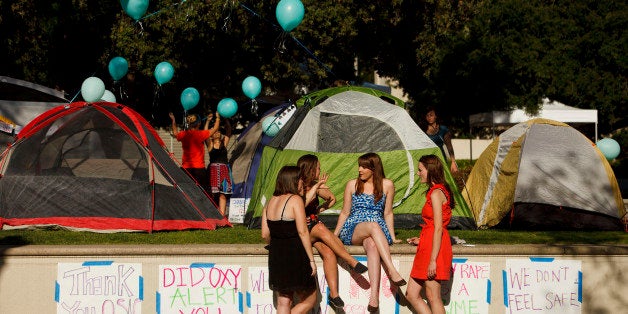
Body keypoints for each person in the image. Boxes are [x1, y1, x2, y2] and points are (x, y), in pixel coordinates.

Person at [333, 152, 405, 313]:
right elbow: (345, 212)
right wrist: (335, 234)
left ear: (374, 168)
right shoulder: (352, 184)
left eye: (364, 166)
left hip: (377, 228)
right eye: (359, 166)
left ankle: (374, 297)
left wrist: (392, 237)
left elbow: (388, 213)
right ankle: (392, 270)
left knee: (372, 244)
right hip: (354, 227)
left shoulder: (387, 184)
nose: (359, 169)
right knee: (372, 226)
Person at [297, 154, 368, 310]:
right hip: (300, 232)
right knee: (321, 227)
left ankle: (334, 295)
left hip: (313, 228)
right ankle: (351, 261)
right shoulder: (298, 184)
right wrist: (316, 187)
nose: (320, 170)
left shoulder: (314, 185)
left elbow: (332, 199)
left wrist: (319, 207)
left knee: (329, 252)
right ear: (309, 169)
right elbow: (301, 205)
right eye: (317, 168)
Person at [261, 166, 318, 314]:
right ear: (294, 180)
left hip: (276, 255)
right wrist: (311, 260)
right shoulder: (295, 200)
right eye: (301, 180)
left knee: (283, 301)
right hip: (296, 254)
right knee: (310, 299)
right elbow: (302, 231)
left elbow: (265, 234)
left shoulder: (270, 202)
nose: (302, 184)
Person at [405, 155, 454, 314]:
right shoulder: (436, 191)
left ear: (430, 170)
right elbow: (434, 227)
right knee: (412, 294)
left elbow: (439, 228)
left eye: (420, 170)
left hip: (435, 251)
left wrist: (433, 260)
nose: (418, 173)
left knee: (433, 296)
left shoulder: (436, 193)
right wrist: (422, 239)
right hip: (428, 243)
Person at [170, 112, 221, 190]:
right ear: (199, 124)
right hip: (199, 169)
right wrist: (217, 118)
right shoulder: (201, 134)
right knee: (203, 191)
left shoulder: (184, 134)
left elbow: (175, 133)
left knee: (186, 190)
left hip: (186, 169)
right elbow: (215, 129)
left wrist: (173, 120)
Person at [420, 106, 458, 173]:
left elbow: (449, 147)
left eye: (431, 115)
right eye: (427, 115)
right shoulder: (422, 130)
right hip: (428, 161)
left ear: (436, 116)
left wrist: (453, 162)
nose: (429, 117)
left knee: (442, 180)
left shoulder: (443, 129)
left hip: (441, 160)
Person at [206, 118, 232, 216]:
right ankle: (212, 215)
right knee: (212, 194)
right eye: (215, 131)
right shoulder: (210, 144)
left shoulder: (223, 143)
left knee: (223, 194)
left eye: (218, 131)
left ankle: (222, 217)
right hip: (213, 171)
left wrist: (226, 119)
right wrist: (208, 121)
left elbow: (229, 130)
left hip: (224, 170)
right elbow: (206, 133)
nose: (217, 133)